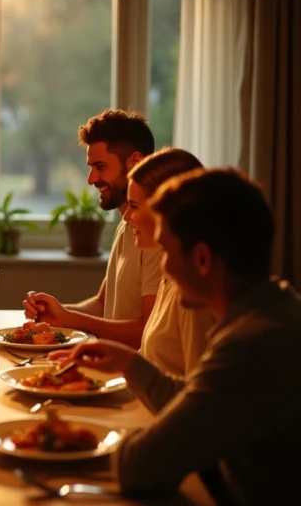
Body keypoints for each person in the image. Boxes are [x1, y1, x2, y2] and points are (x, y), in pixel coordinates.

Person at [49, 169, 301, 504]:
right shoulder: (278, 313)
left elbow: (140, 467)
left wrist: (87, 436)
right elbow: (204, 403)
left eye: (166, 251)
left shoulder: (250, 347)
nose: (163, 269)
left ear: (202, 259)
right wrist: (130, 364)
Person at [24, 109, 161, 348]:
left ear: (136, 162)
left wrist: (70, 319)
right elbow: (102, 304)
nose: (91, 179)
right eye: (91, 167)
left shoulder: (154, 234)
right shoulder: (126, 225)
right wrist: (56, 312)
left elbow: (146, 332)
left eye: (100, 166)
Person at [122, 147, 216, 376]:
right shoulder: (170, 277)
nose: (126, 217)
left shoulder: (192, 294)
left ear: (167, 212)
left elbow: (198, 397)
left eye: (134, 206)